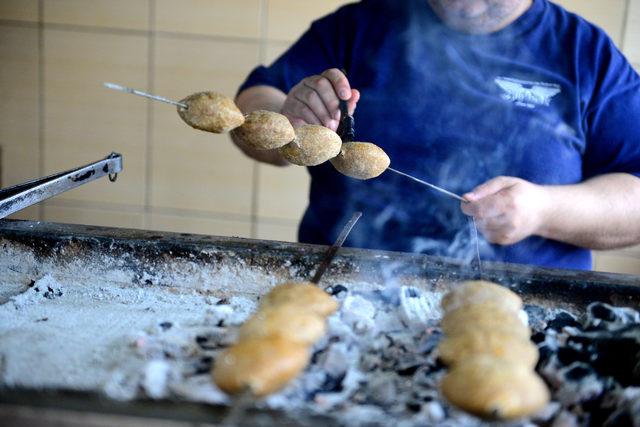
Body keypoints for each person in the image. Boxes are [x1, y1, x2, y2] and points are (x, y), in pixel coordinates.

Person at [231, 0, 640, 270]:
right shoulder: (358, 26)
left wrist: (543, 210)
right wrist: (287, 121)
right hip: (341, 292)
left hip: (526, 312)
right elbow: (253, 103)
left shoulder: (585, 54)